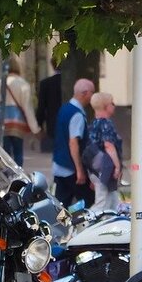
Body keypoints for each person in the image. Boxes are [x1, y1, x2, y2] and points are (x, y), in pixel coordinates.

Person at [0, 55, 40, 167]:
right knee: (18, 153)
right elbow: (27, 108)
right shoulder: (23, 84)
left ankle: (5, 178)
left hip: (0, 123)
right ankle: (18, 177)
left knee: (3, 154)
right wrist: (35, 129)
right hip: (17, 124)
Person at [52, 78, 95, 206]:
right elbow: (73, 143)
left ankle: (60, 225)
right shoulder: (77, 115)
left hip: (59, 165)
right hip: (71, 168)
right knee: (89, 202)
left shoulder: (64, 109)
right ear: (85, 93)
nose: (92, 96)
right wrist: (79, 170)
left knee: (61, 205)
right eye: (92, 92)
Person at [82, 92, 123, 211]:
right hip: (105, 169)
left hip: (95, 170)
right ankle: (85, 224)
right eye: (112, 103)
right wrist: (117, 166)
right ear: (106, 106)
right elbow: (109, 145)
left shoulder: (93, 124)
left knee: (112, 200)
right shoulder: (106, 124)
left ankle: (110, 225)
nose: (114, 106)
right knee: (102, 202)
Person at [35, 57, 62, 153]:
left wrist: (39, 125)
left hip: (52, 123)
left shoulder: (45, 83)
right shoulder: (72, 82)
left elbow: (41, 107)